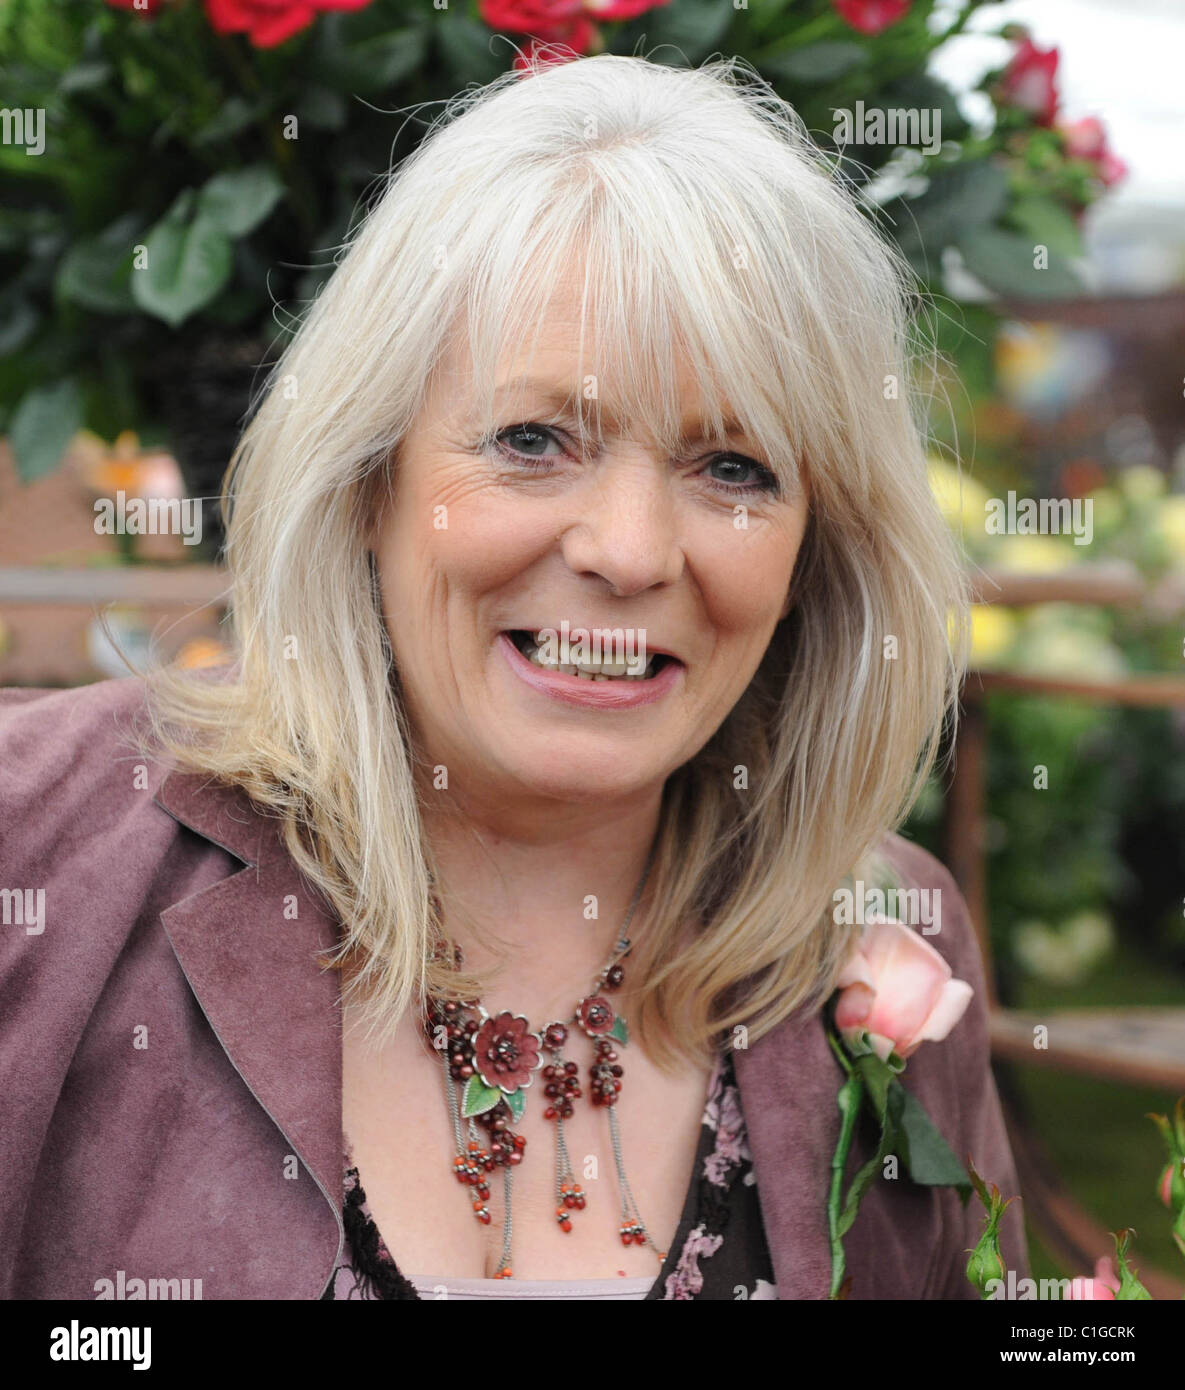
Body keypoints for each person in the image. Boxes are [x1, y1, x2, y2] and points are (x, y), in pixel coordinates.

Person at [0, 52, 1027, 1300]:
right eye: (534, 441)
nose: (632, 550)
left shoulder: (885, 952)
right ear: (370, 476)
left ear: (819, 550)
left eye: (734, 468)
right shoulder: (37, 845)